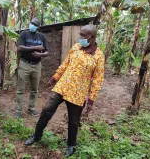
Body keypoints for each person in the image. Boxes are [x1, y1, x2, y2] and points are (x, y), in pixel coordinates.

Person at [24, 24, 104, 156]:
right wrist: (54, 78)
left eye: (84, 35)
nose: (81, 38)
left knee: (73, 121)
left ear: (92, 37)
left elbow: (97, 79)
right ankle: (36, 136)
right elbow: (65, 65)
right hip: (62, 87)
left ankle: (71, 144)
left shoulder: (99, 56)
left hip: (78, 93)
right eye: (80, 35)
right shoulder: (76, 48)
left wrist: (91, 100)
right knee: (46, 110)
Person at [16, 17, 49, 118]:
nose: (32, 26)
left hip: (37, 66)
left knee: (34, 89)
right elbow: (20, 48)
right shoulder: (24, 34)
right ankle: (18, 110)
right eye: (31, 23)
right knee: (20, 89)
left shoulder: (42, 37)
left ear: (38, 27)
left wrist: (41, 55)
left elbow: (47, 51)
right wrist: (35, 48)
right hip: (24, 64)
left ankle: (31, 108)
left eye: (35, 25)